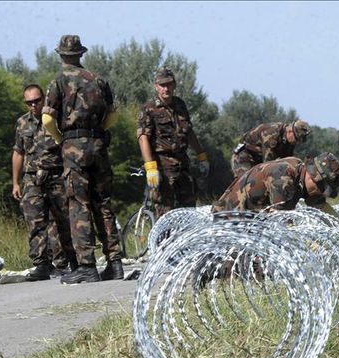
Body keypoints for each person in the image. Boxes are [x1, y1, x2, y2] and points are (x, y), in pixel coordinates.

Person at [42, 35, 123, 284]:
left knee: (79, 204)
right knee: (103, 203)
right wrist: (99, 132)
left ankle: (87, 266)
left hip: (73, 146)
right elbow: (113, 115)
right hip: (98, 145)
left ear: (61, 55)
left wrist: (59, 139)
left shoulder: (58, 81)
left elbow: (47, 119)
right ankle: (115, 263)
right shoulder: (98, 80)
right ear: (80, 54)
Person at [11, 84, 77, 281]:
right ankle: (41, 265)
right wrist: (15, 182)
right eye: (29, 102)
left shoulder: (56, 119)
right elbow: (18, 152)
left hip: (56, 175)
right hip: (32, 178)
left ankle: (72, 261)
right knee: (35, 221)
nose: (33, 105)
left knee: (64, 220)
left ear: (44, 99)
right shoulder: (22, 123)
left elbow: (69, 147)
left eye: (36, 100)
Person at [137, 67, 210, 219]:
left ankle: (185, 241)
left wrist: (201, 155)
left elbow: (189, 132)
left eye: (169, 84)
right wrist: (150, 167)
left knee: (189, 210)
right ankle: (162, 243)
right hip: (162, 165)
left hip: (182, 163)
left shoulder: (180, 105)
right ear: (156, 86)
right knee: (165, 211)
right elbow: (143, 138)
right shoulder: (149, 108)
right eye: (162, 85)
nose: (166, 88)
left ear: (174, 85)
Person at [212, 152, 339, 214]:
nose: (322, 194)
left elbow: (323, 208)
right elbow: (280, 220)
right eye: (323, 188)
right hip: (230, 221)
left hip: (251, 223)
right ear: (313, 177)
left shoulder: (301, 176)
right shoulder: (284, 175)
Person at [231, 120, 311, 179]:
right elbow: (267, 165)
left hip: (259, 159)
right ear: (290, 132)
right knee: (245, 184)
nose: (297, 143)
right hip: (245, 157)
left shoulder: (289, 141)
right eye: (297, 139)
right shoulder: (271, 135)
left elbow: (287, 162)